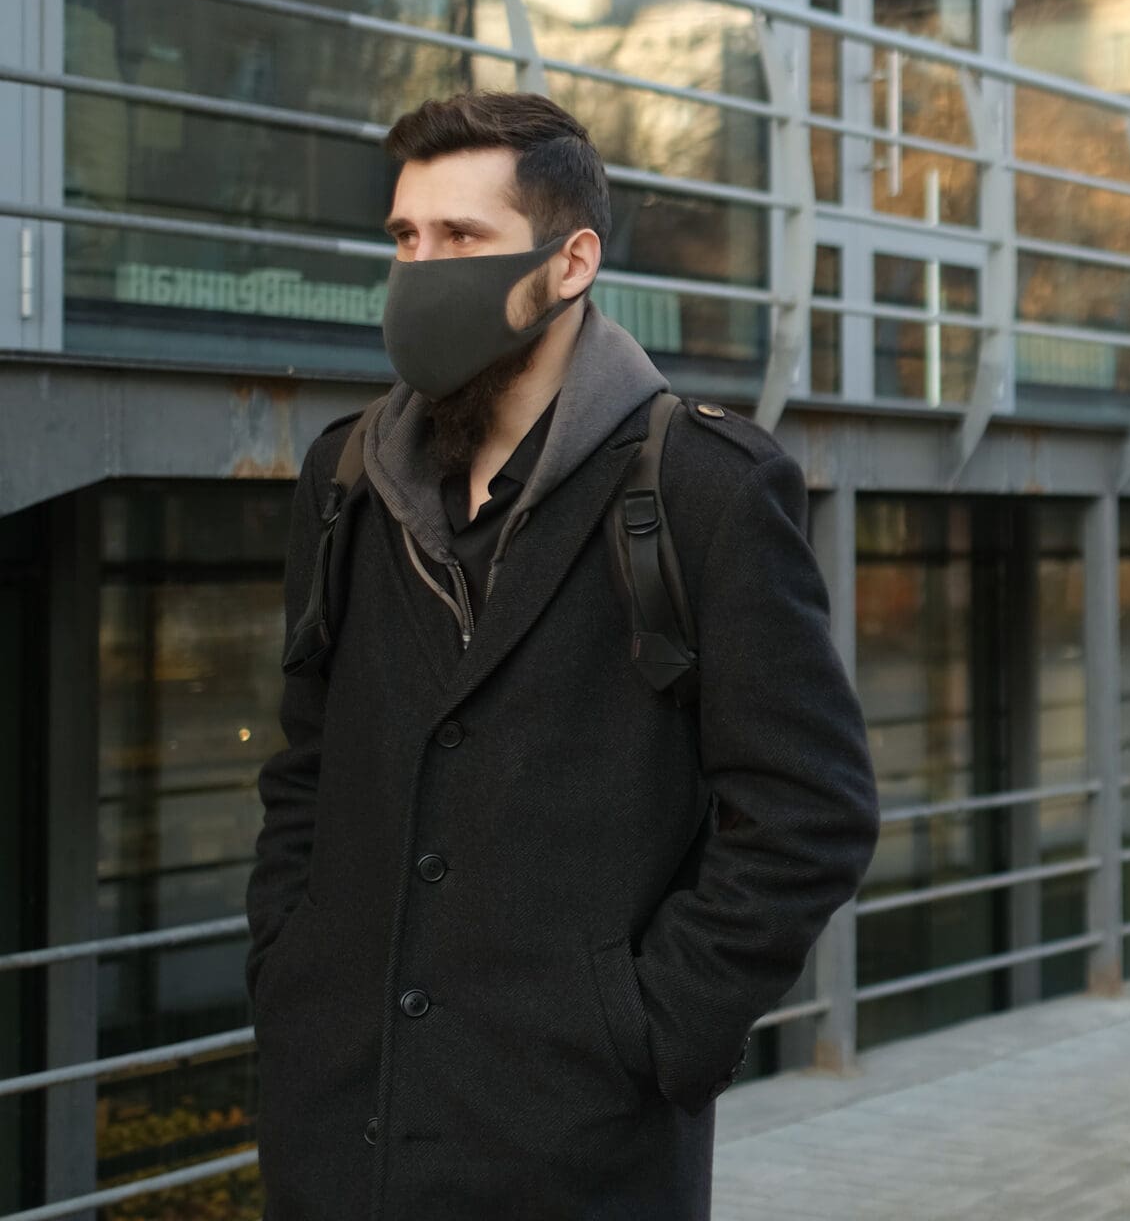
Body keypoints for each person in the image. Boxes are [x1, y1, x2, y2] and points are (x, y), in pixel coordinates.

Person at [245, 92, 879, 1220]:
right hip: (342, 1130)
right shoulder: (344, 478)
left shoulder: (708, 490)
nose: (421, 266)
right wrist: (288, 969)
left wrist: (650, 1032)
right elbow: (305, 766)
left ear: (571, 259)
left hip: (577, 1150)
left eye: (463, 238)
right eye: (406, 238)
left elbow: (808, 808)